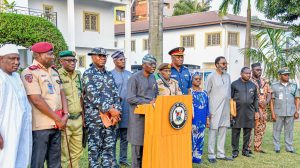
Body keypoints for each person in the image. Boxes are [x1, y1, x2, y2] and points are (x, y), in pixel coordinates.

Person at [21, 42, 69, 168]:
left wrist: (66, 114)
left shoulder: (53, 71)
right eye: (49, 54)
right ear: (37, 55)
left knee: (55, 162)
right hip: (41, 127)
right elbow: (36, 100)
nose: (53, 57)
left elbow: (62, 92)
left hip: (57, 124)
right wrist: (58, 119)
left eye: (52, 54)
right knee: (38, 162)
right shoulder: (29, 73)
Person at [82, 47, 121, 167]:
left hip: (110, 119)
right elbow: (92, 96)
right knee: (95, 150)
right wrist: (111, 110)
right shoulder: (88, 74)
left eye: (104, 56)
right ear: (92, 57)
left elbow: (116, 94)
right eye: (99, 56)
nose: (102, 58)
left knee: (109, 148)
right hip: (95, 119)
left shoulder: (109, 74)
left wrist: (117, 112)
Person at [0, 44, 32, 168]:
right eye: (12, 58)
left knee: (19, 159)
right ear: (1, 59)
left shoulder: (16, 76)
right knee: (5, 160)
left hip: (19, 128)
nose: (16, 62)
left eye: (18, 59)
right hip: (4, 130)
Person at [127, 54, 158, 168]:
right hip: (137, 118)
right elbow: (130, 98)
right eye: (151, 64)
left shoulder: (153, 77)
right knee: (137, 146)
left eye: (154, 64)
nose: (153, 66)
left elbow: (156, 94)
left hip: (151, 116)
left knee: (148, 145)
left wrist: (156, 99)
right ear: (143, 65)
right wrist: (146, 102)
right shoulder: (134, 78)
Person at [58, 50, 83, 168]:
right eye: (69, 60)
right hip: (65, 120)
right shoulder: (56, 75)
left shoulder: (78, 75)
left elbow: (81, 96)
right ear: (61, 61)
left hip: (78, 119)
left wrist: (83, 117)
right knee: (64, 154)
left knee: (77, 152)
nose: (72, 63)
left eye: (74, 60)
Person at [205, 56, 232, 163]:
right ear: (217, 65)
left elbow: (228, 93)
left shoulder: (228, 76)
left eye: (226, 63)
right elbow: (206, 93)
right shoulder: (211, 76)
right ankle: (211, 154)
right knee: (213, 130)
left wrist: (230, 109)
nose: (225, 65)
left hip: (225, 108)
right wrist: (208, 112)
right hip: (214, 108)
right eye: (223, 63)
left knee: (223, 130)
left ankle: (221, 154)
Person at [231, 67, 259, 158]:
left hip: (249, 112)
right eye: (246, 73)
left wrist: (257, 111)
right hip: (237, 112)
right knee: (236, 132)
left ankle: (245, 150)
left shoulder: (253, 85)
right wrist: (231, 113)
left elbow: (255, 99)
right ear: (241, 73)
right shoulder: (234, 84)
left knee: (247, 132)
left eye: (249, 73)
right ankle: (235, 151)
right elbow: (230, 99)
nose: (248, 75)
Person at [110, 51, 132, 167]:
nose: (123, 61)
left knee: (125, 137)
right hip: (115, 111)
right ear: (114, 61)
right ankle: (113, 159)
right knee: (113, 137)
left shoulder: (130, 74)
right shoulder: (110, 74)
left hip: (127, 110)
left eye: (124, 59)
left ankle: (123, 159)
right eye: (120, 60)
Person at [270, 68, 299, 153]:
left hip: (290, 112)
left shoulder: (294, 85)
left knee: (289, 130)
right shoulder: (274, 86)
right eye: (285, 75)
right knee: (276, 130)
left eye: (288, 74)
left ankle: (289, 147)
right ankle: (277, 147)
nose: (287, 76)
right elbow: (272, 101)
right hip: (278, 112)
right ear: (280, 75)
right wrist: (272, 113)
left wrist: (297, 111)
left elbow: (297, 99)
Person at [248, 63, 271, 153]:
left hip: (263, 109)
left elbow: (269, 93)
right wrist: (257, 103)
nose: (259, 71)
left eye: (260, 70)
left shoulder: (264, 81)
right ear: (252, 70)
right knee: (249, 129)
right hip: (252, 109)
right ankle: (248, 148)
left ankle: (257, 147)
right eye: (257, 70)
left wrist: (267, 101)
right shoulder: (248, 81)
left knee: (261, 128)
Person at [189, 72, 209, 164]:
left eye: (199, 79)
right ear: (191, 80)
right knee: (192, 137)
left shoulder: (204, 92)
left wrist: (207, 118)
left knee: (201, 138)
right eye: (195, 79)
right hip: (193, 118)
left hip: (202, 118)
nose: (198, 80)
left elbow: (207, 106)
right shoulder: (189, 92)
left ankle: (197, 158)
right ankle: (190, 156)